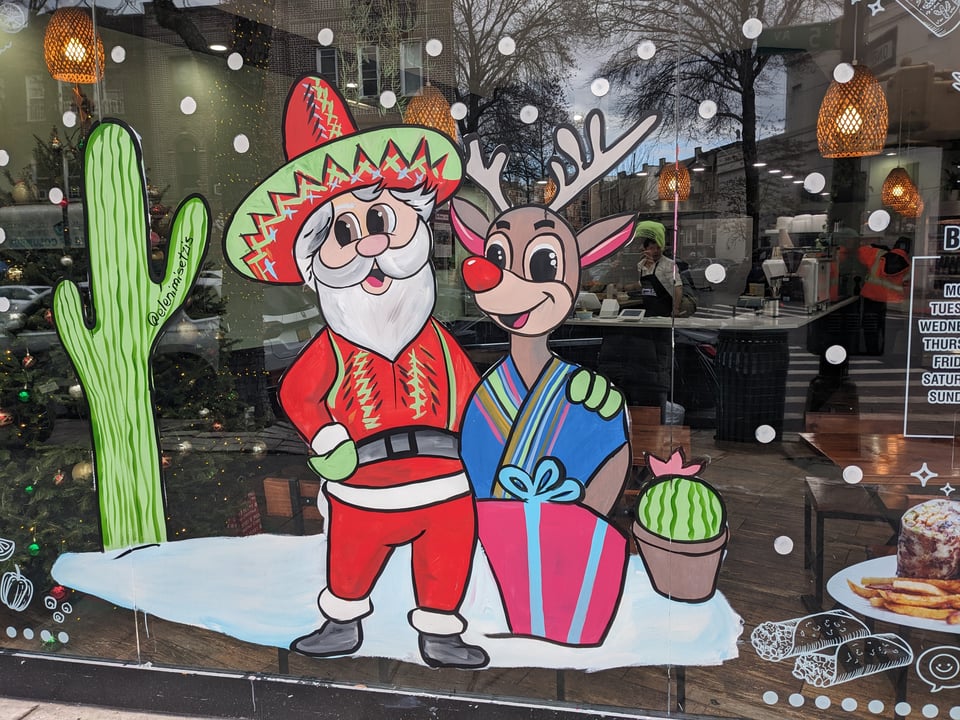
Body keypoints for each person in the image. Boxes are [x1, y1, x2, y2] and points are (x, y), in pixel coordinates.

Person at [223, 76, 488, 669]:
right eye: (343, 234)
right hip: (361, 487)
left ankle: (441, 629)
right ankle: (342, 619)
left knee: (446, 553)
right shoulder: (334, 347)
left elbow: (476, 402)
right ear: (317, 261)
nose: (368, 247)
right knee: (350, 558)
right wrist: (324, 435)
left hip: (444, 484)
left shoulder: (439, 342)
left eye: (380, 224)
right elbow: (297, 392)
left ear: (415, 229)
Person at [635, 221, 682, 317]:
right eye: (652, 248)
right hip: (648, 309)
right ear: (645, 249)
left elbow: (678, 287)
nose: (656, 251)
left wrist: (676, 308)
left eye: (658, 248)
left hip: (666, 309)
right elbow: (642, 285)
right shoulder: (640, 265)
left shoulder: (669, 264)